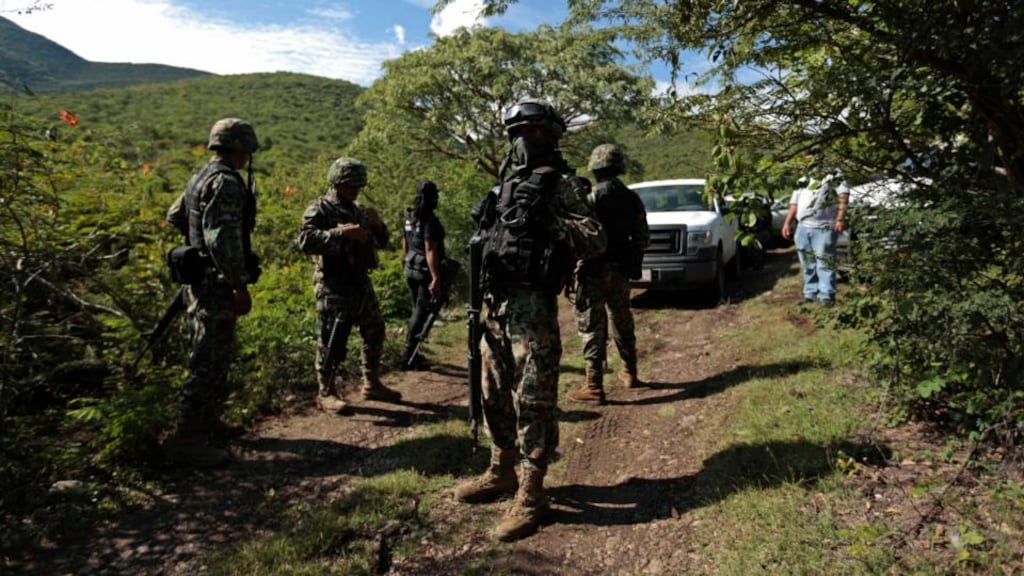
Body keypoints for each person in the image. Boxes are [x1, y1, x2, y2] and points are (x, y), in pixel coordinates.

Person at [455, 98, 605, 542]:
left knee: (534, 398)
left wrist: (552, 221)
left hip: (533, 308)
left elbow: (596, 238)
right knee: (492, 392)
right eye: (518, 131)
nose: (525, 139)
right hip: (496, 306)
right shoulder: (506, 185)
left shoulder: (561, 184)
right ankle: (501, 469)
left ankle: (532, 492)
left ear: (552, 135)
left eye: (535, 130)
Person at [164, 117, 260, 467]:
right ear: (240, 148)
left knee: (215, 356)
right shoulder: (226, 183)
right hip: (217, 286)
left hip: (198, 282)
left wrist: (195, 246)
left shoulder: (200, 177)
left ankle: (207, 424)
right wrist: (238, 284)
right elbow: (222, 240)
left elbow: (175, 215)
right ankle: (187, 440)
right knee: (207, 361)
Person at [296, 157, 402, 414]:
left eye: (359, 185)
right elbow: (304, 241)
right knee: (330, 339)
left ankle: (372, 383)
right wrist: (340, 233)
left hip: (358, 281)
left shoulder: (358, 210)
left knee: (374, 329)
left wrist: (378, 225)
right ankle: (327, 393)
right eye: (351, 185)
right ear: (337, 182)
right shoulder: (319, 209)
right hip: (333, 283)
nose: (356, 190)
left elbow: (383, 242)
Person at [567, 143, 650, 405]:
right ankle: (630, 372)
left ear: (594, 167)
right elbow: (642, 236)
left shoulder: (589, 198)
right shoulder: (631, 197)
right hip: (621, 269)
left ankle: (593, 385)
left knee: (592, 325)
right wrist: (631, 259)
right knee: (622, 318)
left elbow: (580, 235)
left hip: (594, 269)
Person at [781, 167, 849, 305]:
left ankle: (826, 296)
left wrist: (840, 219)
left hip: (825, 227)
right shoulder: (803, 178)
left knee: (824, 262)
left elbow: (843, 197)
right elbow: (794, 203)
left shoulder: (834, 174)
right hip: (803, 227)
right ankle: (810, 294)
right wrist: (787, 223)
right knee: (807, 263)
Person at [401, 179, 446, 370]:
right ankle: (408, 355)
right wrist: (436, 277)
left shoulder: (409, 216)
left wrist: (406, 261)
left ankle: (412, 353)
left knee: (416, 311)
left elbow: (405, 242)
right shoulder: (430, 220)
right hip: (423, 272)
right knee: (420, 313)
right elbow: (430, 250)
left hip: (410, 267)